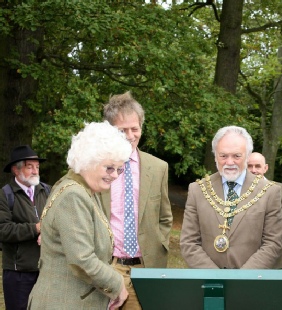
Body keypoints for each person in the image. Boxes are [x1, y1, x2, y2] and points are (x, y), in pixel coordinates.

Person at [27, 121, 130, 309]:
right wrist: (117, 284)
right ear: (88, 161)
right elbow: (82, 260)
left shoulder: (87, 190)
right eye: (109, 167)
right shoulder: (73, 195)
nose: (115, 175)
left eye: (119, 169)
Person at [100, 91, 173, 309]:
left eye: (135, 128)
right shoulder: (94, 166)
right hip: (107, 265)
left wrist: (160, 244)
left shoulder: (158, 167)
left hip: (145, 267)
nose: (131, 135)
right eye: (122, 130)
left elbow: (165, 217)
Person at [180, 126, 282, 269]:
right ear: (215, 155)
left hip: (249, 284)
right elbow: (189, 242)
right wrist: (215, 276)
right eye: (223, 156)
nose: (229, 162)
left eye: (236, 156)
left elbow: (272, 243)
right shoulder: (197, 190)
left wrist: (241, 279)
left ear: (247, 156)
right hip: (208, 283)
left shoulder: (269, 192)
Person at [0, 145, 50, 310]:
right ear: (16, 170)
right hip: (18, 273)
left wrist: (48, 232)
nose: (35, 171)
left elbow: (58, 222)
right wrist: (36, 228)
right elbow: (3, 230)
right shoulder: (5, 195)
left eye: (37, 167)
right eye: (30, 167)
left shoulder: (47, 191)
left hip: (46, 270)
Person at [247, 152, 282, 269]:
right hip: (244, 260)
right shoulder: (236, 192)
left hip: (276, 260)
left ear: (265, 168)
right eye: (249, 166)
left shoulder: (281, 189)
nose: (253, 170)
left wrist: (261, 237)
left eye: (258, 166)